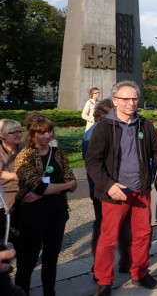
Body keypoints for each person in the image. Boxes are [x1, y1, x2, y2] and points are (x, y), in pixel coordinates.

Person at [85, 81, 157, 295]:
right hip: (115, 192)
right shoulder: (104, 127)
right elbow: (92, 162)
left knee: (143, 234)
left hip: (141, 190)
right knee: (108, 237)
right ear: (115, 101)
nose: (131, 103)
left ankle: (140, 272)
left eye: (134, 99)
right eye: (126, 99)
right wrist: (108, 185)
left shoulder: (144, 124)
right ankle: (104, 280)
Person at [14, 113, 77, 296]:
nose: (47, 136)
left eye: (49, 131)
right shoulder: (24, 156)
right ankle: (21, 292)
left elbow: (72, 183)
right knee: (28, 260)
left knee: (51, 257)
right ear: (32, 134)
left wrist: (49, 190)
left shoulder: (58, 153)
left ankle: (50, 292)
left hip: (57, 213)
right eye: (42, 133)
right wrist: (57, 188)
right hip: (33, 215)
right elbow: (38, 185)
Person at [82, 99, 131, 278]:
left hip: (119, 186)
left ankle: (125, 262)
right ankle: (100, 268)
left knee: (124, 225)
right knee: (104, 229)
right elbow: (94, 166)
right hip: (103, 190)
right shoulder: (93, 135)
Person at [0, 119, 24, 232]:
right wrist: (14, 175)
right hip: (6, 194)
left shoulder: (25, 149)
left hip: (26, 191)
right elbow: (2, 173)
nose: (19, 134)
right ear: (2, 135)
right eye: (14, 132)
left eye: (20, 131)